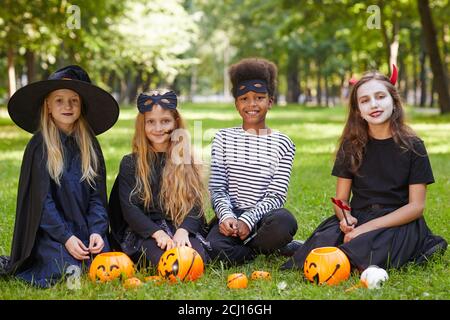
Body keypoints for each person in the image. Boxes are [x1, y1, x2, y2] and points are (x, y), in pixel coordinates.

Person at [282, 66, 447, 271]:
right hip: (360, 216)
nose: (374, 104)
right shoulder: (351, 146)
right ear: (358, 111)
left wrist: (365, 229)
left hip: (397, 220)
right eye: (365, 100)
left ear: (394, 102)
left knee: (364, 249)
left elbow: (416, 207)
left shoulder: (413, 146)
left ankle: (421, 244)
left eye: (380, 96)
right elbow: (341, 200)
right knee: (317, 248)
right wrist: (345, 218)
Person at [3, 65, 119, 287]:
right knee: (67, 269)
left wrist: (97, 230)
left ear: (81, 105)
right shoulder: (39, 147)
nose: (67, 106)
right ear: (47, 105)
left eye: (74, 100)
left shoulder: (90, 145)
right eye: (59, 100)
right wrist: (66, 237)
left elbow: (97, 197)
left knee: (102, 261)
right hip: (52, 233)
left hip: (85, 228)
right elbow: (42, 204)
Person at [206, 57, 300, 265]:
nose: (252, 104)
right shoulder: (223, 138)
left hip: (263, 217)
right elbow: (218, 188)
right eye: (244, 98)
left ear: (270, 101)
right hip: (231, 216)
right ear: (236, 104)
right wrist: (227, 217)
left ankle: (252, 246)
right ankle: (262, 250)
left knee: (284, 222)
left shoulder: (283, 143)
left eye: (259, 97)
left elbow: (276, 196)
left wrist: (248, 220)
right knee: (214, 249)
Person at [108, 89, 209, 268]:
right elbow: (130, 209)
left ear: (175, 123)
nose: (158, 128)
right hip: (145, 230)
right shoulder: (131, 163)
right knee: (168, 262)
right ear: (143, 126)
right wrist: (157, 233)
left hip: (178, 225)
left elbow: (195, 204)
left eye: (165, 121)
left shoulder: (185, 159)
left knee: (195, 258)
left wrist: (183, 231)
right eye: (151, 122)